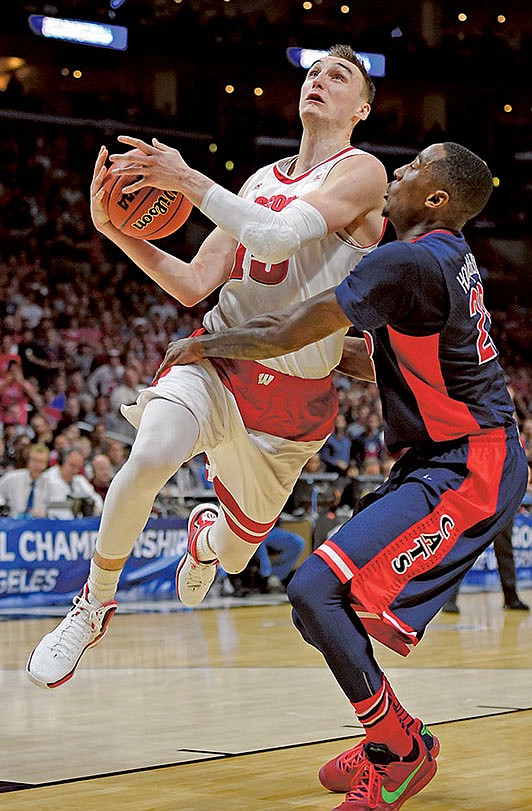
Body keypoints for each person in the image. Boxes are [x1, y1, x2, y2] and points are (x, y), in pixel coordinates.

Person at [151, 142, 529, 810]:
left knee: (313, 591)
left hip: (471, 464)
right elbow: (366, 359)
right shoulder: (445, 256)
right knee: (318, 605)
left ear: (438, 198)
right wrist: (310, 354)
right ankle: (392, 734)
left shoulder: (404, 259)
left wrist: (206, 344)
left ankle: (399, 753)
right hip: (444, 457)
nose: (400, 171)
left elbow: (288, 328)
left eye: (414, 168)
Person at [26, 43, 387, 689]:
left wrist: (188, 179)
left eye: (338, 76)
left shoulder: (362, 175)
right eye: (313, 72)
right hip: (220, 357)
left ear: (360, 107)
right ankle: (93, 604)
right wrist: (116, 231)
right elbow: (195, 282)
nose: (319, 81)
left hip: (295, 404)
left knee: (236, 548)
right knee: (150, 454)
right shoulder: (258, 182)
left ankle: (205, 537)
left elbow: (277, 237)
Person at [442, 517, 529, 613]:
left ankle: (511, 597)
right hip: (477, 504)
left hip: (501, 504)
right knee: (462, 547)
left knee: (505, 549)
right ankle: (449, 599)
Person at [37, 447, 104, 519]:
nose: (75, 470)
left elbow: (97, 499)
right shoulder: (47, 478)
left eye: (78, 467)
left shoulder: (79, 480)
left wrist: (94, 508)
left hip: (77, 525)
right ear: (62, 462)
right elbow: (39, 506)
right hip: (52, 524)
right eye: (72, 465)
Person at [0, 442, 50, 517]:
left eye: (41, 462)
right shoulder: (10, 478)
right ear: (28, 460)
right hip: (11, 524)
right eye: (34, 460)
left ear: (46, 464)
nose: (37, 465)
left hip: (38, 525)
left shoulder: (50, 484)